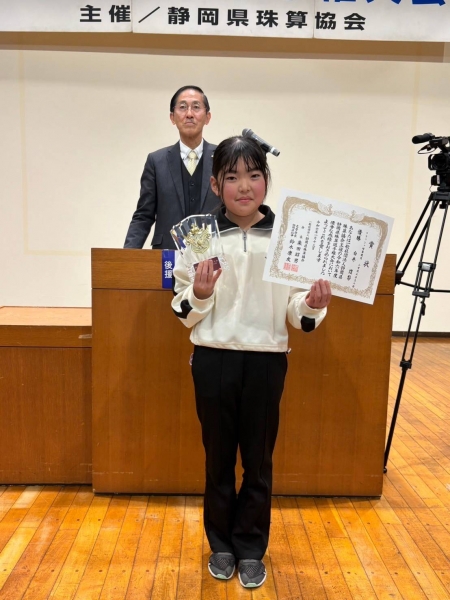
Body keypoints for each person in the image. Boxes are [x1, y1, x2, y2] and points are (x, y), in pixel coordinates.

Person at [171, 136, 332, 589]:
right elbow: (182, 308)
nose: (244, 186)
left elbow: (297, 312)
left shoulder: (288, 236)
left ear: (266, 180)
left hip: (265, 362)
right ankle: (221, 544)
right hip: (213, 359)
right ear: (215, 184)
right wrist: (200, 292)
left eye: (254, 175)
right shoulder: (199, 235)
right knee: (218, 459)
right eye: (233, 177)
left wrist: (313, 304)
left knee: (258, 462)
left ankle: (250, 547)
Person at [124, 85, 218, 249]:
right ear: (172, 117)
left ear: (207, 117)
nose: (189, 114)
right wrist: (126, 256)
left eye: (196, 107)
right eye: (182, 107)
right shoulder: (156, 161)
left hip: (213, 253)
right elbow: (144, 215)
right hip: (167, 253)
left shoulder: (222, 158)